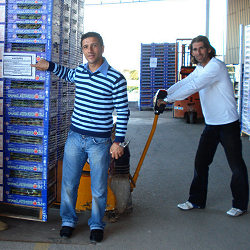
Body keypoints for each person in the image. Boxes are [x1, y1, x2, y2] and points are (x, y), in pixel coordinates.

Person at [31, 32, 130, 242]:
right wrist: (48, 65)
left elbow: (123, 112)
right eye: (86, 47)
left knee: (99, 187)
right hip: (75, 138)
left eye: (94, 46)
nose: (90, 50)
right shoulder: (81, 72)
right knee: (68, 183)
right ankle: (68, 221)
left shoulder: (116, 78)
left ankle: (96, 224)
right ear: (83, 50)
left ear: (102, 48)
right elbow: (66, 73)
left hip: (100, 142)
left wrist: (117, 141)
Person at [158, 35, 249, 217]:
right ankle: (196, 200)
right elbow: (187, 81)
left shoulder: (215, 67)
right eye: (194, 49)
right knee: (201, 162)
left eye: (201, 48)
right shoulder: (200, 68)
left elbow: (195, 86)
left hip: (227, 123)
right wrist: (167, 91)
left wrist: (167, 100)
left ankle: (240, 205)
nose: (198, 52)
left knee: (236, 165)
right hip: (212, 124)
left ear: (208, 49)